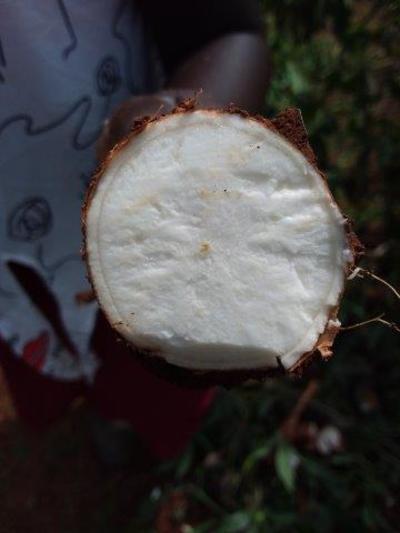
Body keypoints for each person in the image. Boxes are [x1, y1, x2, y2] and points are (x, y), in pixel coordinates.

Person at [0, 0, 270, 465]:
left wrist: (187, 130)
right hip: (15, 278)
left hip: (152, 266)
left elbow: (229, 31)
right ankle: (80, 407)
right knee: (44, 363)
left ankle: (130, 430)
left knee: (152, 372)